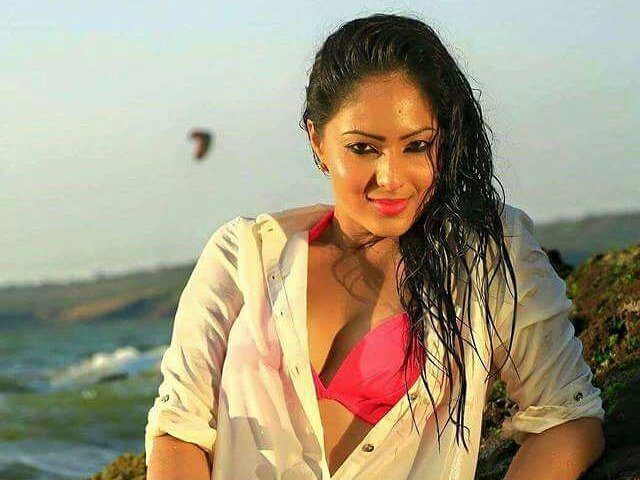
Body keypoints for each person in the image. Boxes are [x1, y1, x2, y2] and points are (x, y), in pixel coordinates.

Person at [145, 13, 605, 480]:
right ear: (318, 141)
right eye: (363, 148)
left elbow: (567, 417)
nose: (390, 178)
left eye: (417, 145)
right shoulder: (244, 254)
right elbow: (178, 431)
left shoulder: (486, 252)